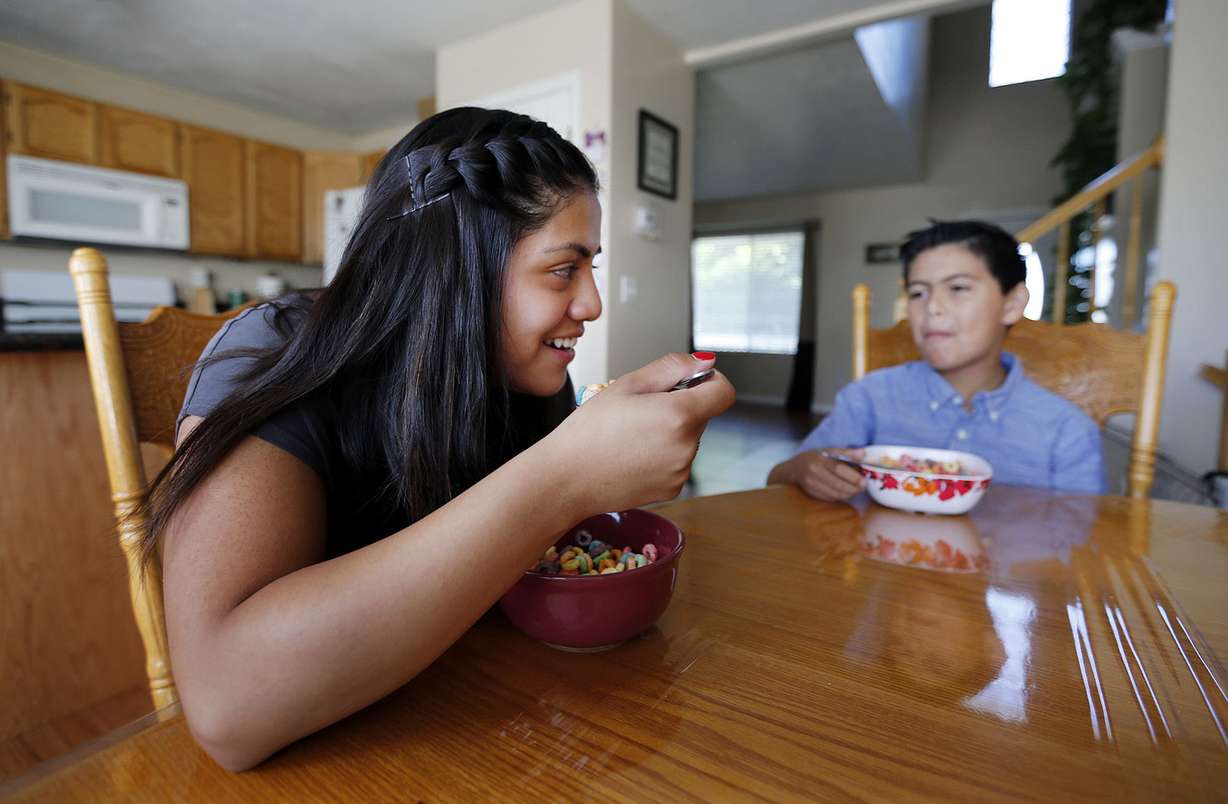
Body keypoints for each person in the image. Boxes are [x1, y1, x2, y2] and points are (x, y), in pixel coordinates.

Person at [147, 108, 735, 770]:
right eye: (563, 269)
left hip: (482, 730)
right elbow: (225, 709)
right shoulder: (276, 351)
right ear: (456, 265)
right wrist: (563, 475)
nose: (592, 303)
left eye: (590, 266)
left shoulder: (523, 378)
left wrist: (602, 466)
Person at [768, 220, 1103, 501]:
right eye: (918, 292)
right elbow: (778, 478)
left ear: (1012, 304)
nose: (932, 308)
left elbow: (1084, 537)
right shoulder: (870, 397)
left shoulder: (1066, 431)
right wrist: (805, 469)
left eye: (958, 288)